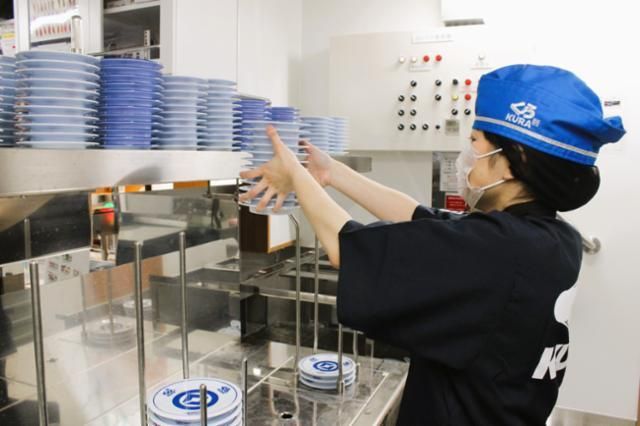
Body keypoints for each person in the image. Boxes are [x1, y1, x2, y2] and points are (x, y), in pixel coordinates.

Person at [239, 64, 625, 425]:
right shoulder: (552, 238)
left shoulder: (497, 249)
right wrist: (330, 173)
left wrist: (294, 173)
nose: (466, 156)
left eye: (474, 142)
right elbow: (419, 216)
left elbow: (346, 247)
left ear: (513, 160)